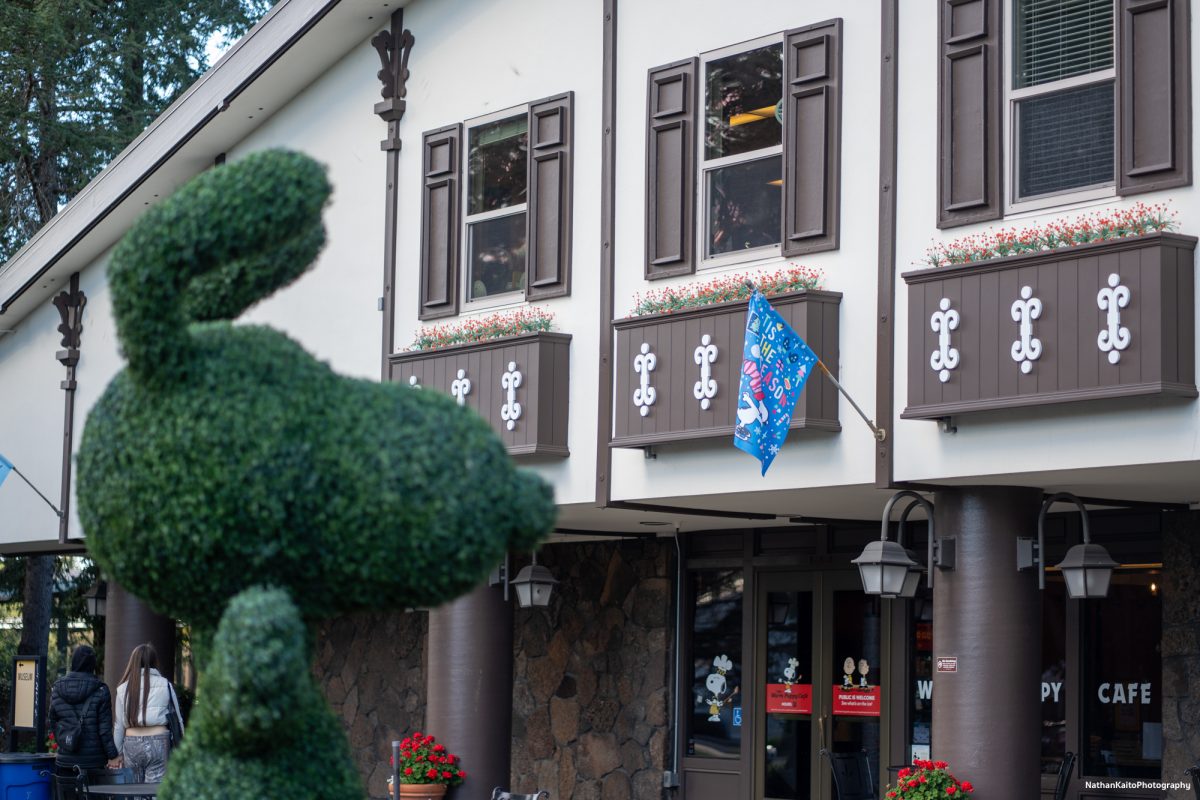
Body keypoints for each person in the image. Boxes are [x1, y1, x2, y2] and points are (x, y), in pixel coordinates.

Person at [47, 645, 120, 796]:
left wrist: (65, 741)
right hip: (93, 763)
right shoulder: (101, 690)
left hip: (65, 761)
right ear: (92, 665)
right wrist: (113, 756)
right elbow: (105, 730)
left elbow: (52, 721)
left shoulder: (57, 688)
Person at [113, 643, 183, 784]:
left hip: (131, 743)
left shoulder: (122, 689)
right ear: (154, 662)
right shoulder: (166, 684)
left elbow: (119, 725)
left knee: (134, 792)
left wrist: (118, 753)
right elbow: (178, 719)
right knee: (155, 791)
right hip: (159, 742)